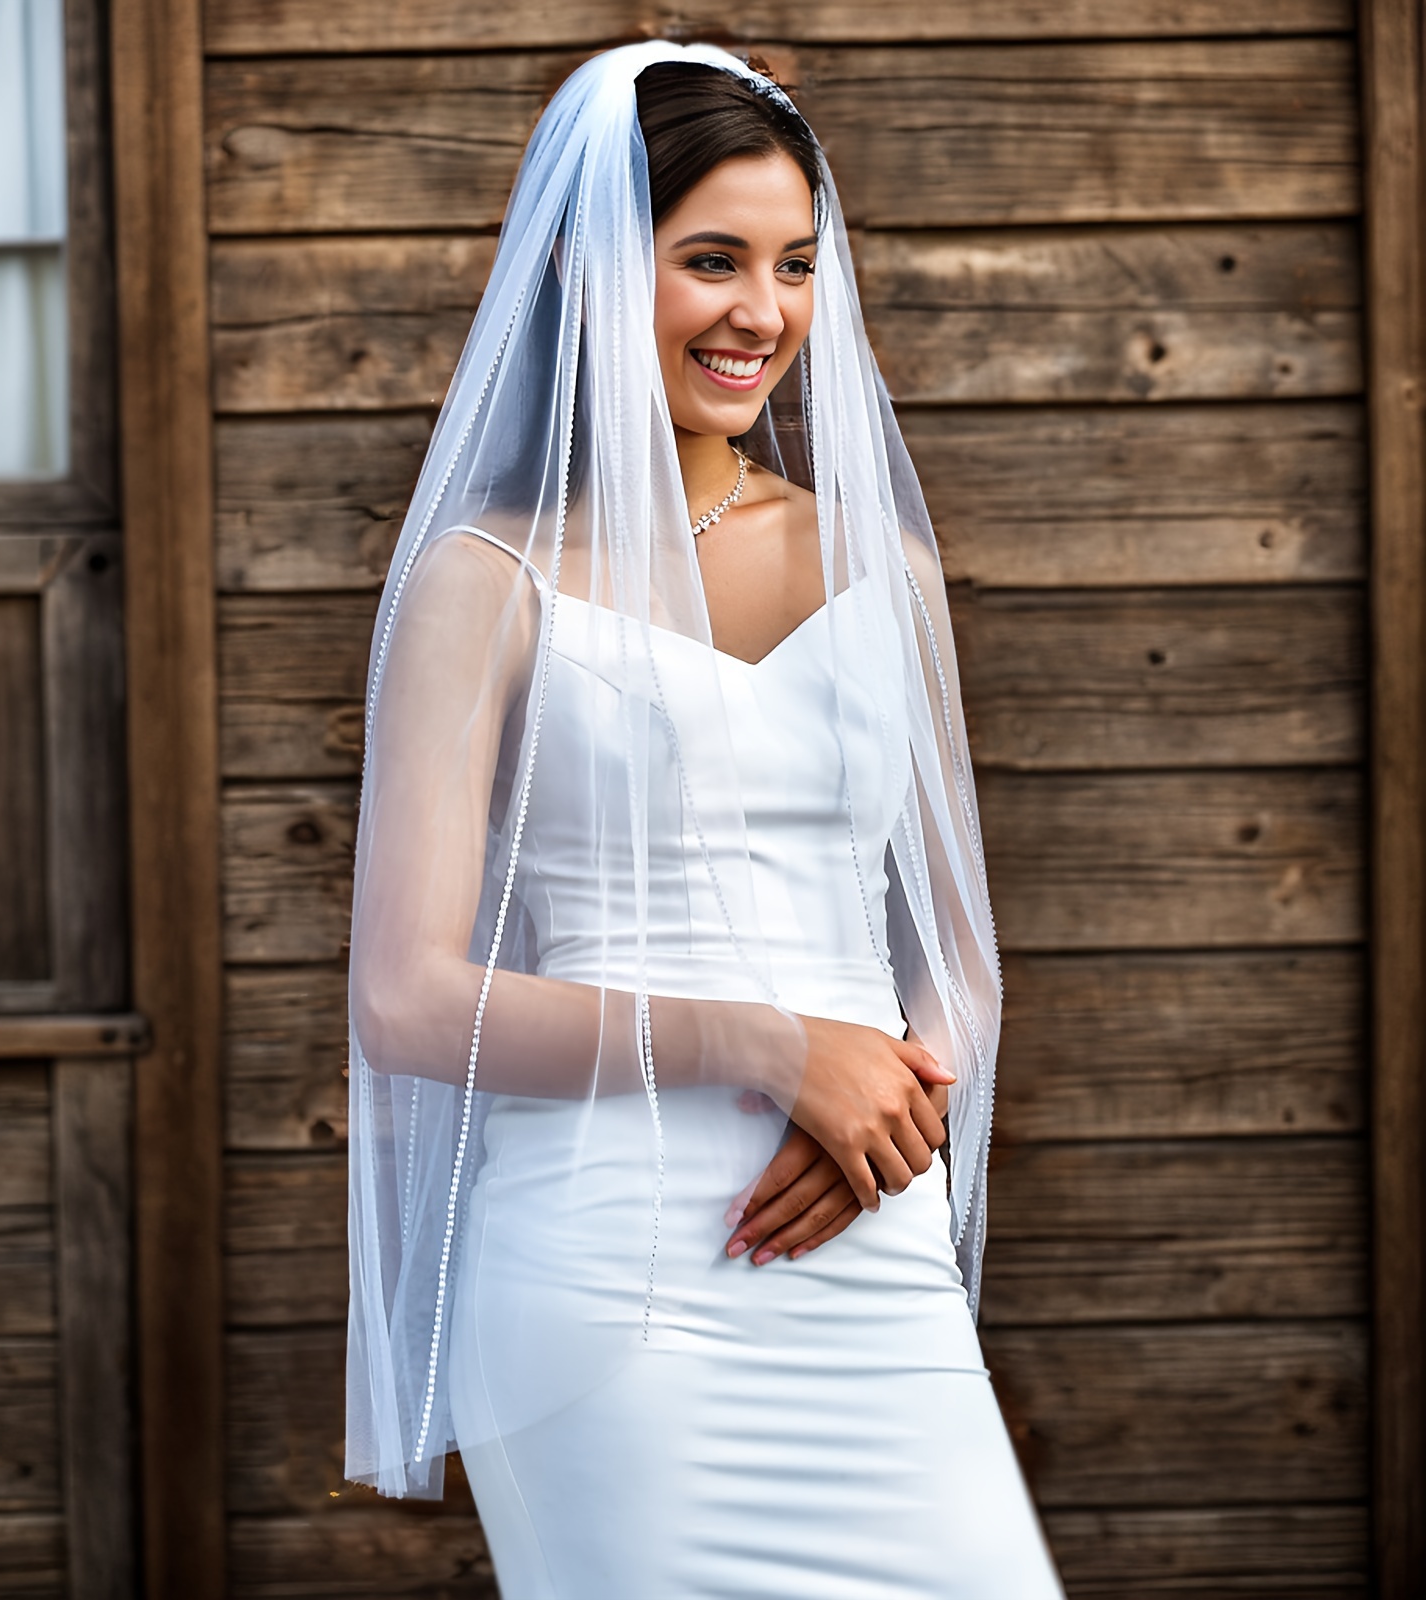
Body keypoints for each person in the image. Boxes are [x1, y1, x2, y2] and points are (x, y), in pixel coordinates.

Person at [344, 39, 1066, 1598]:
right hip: (620, 1281)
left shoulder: (880, 566)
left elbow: (954, 945)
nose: (765, 312)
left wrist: (901, 1109)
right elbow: (406, 1002)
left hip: (863, 1242)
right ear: (600, 267)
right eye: (712, 261)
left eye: (797, 264)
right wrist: (769, 1045)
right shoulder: (490, 579)